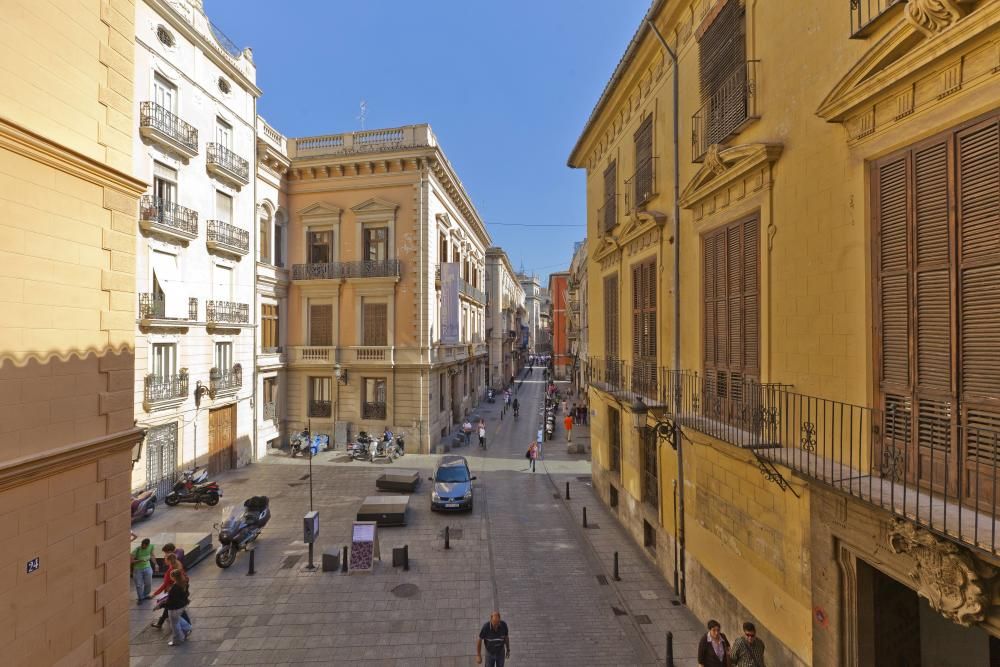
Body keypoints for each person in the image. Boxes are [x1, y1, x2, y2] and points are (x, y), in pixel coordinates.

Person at [151, 552, 190, 629]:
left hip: (173, 590)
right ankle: (160, 622)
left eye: (165, 559)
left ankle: (187, 626)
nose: (164, 560)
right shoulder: (178, 564)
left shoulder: (171, 571)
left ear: (169, 560)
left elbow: (165, 584)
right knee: (179, 607)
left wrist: (155, 593)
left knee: (172, 605)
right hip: (182, 588)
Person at [164, 569, 192, 646]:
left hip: (174, 608)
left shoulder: (174, 588)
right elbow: (185, 595)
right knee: (177, 619)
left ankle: (178, 640)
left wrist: (161, 604)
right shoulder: (185, 583)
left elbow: (170, 601)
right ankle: (187, 628)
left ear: (173, 577)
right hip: (182, 606)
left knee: (174, 625)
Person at [131, 538, 155, 604]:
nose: (143, 546)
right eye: (142, 545)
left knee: (148, 583)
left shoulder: (151, 546)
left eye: (145, 546)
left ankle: (146, 595)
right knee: (139, 584)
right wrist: (140, 560)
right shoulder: (137, 550)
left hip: (148, 567)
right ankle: (140, 598)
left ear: (148, 545)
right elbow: (131, 561)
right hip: (138, 569)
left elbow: (152, 555)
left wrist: (156, 564)